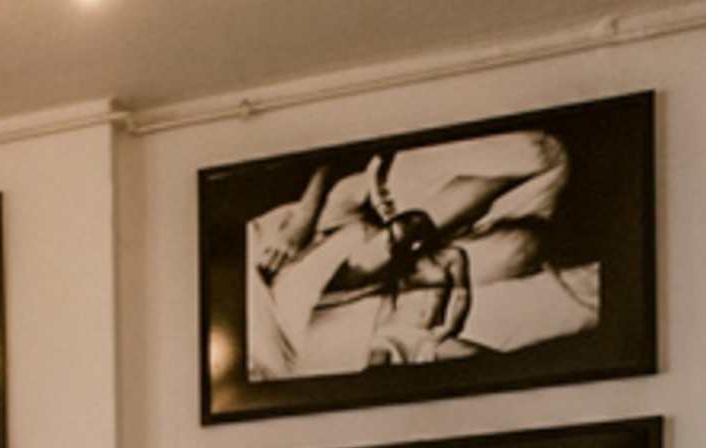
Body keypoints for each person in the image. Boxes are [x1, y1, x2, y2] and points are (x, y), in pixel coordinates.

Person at [245, 129, 604, 379]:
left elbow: (329, 168)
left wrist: (301, 222)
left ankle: (413, 231)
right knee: (534, 260)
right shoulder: (306, 361)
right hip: (428, 281)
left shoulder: (262, 268)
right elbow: (427, 349)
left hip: (395, 201)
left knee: (541, 153)